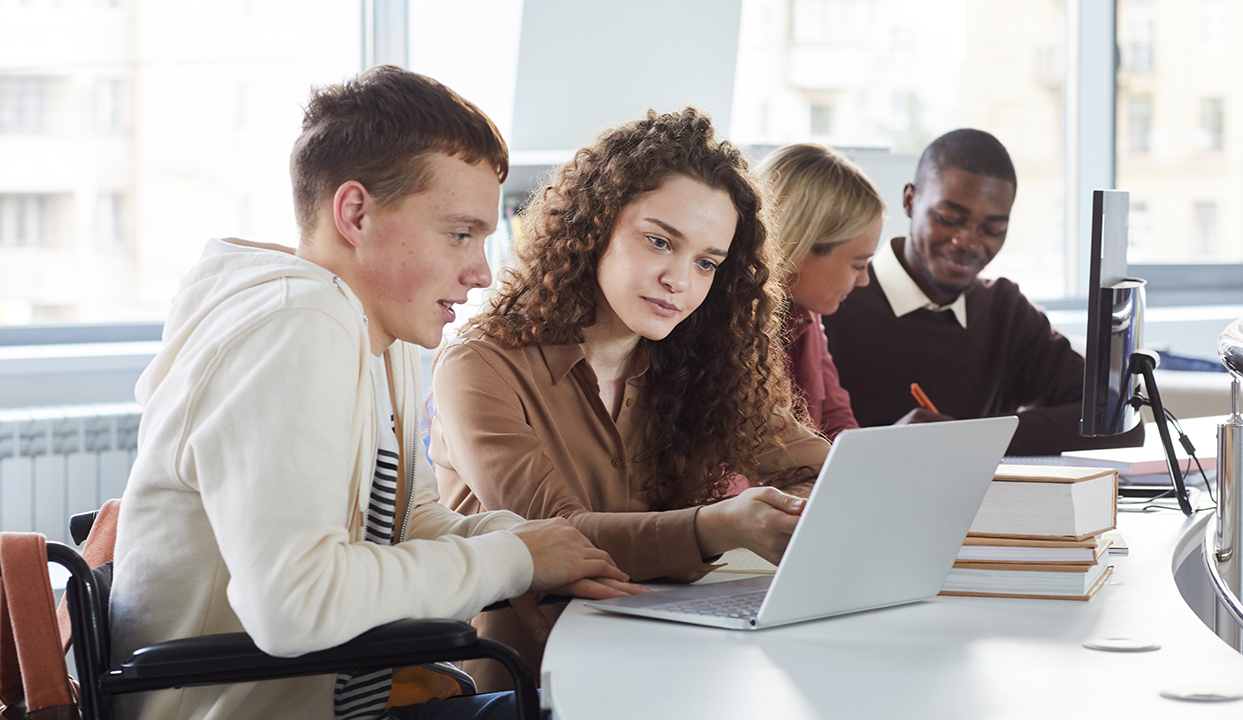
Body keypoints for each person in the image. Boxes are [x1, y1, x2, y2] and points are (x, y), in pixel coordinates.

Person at [108, 66, 641, 720]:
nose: (479, 271)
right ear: (355, 213)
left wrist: (546, 544)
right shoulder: (296, 324)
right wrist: (518, 558)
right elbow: (295, 605)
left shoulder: (372, 334)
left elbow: (414, 530)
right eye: (459, 233)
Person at [428, 108, 830, 690]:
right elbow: (559, 539)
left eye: (706, 263)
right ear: (595, 225)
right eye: (660, 241)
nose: (680, 280)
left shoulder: (703, 361)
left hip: (668, 665)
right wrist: (721, 527)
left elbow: (814, 472)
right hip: (525, 685)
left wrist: (795, 512)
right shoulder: (480, 362)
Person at [823, 128, 1143, 455]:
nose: (968, 242)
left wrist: (967, 439)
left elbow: (1118, 421)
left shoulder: (1005, 312)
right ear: (910, 200)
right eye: (948, 218)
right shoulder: (832, 303)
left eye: (993, 229)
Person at [756, 143, 886, 439]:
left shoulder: (806, 316)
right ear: (800, 248)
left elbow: (836, 421)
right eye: (857, 264)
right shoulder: (722, 324)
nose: (864, 280)